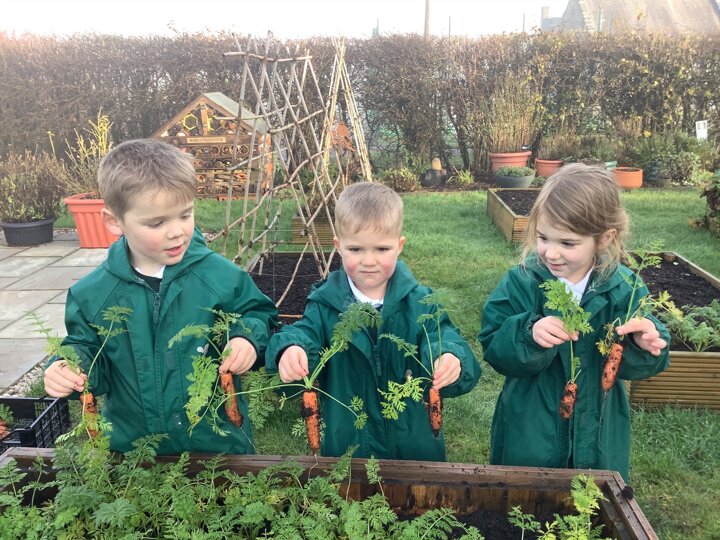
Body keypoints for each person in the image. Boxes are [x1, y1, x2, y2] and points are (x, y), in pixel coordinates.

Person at [44, 139, 278, 455]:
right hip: (133, 452)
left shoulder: (219, 275)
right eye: (157, 223)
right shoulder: (93, 293)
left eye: (185, 214)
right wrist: (67, 368)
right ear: (114, 221)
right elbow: (86, 349)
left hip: (217, 445)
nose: (176, 231)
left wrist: (246, 339)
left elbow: (257, 313)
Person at [479, 163, 669, 481]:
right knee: (525, 493)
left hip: (599, 426)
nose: (551, 253)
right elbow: (494, 345)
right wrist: (528, 334)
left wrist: (642, 344)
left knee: (593, 496)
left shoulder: (623, 288)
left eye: (567, 243)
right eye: (543, 237)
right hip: (531, 423)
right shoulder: (522, 282)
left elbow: (640, 364)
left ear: (604, 238)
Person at [265, 181, 481, 460]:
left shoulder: (420, 302)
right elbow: (304, 333)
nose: (369, 261)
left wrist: (450, 357)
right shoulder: (324, 304)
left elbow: (445, 336)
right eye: (356, 249)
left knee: (417, 490)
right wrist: (290, 349)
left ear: (399, 246)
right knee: (350, 489)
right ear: (338, 246)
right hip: (349, 451)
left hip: (415, 449)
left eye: (381, 249)